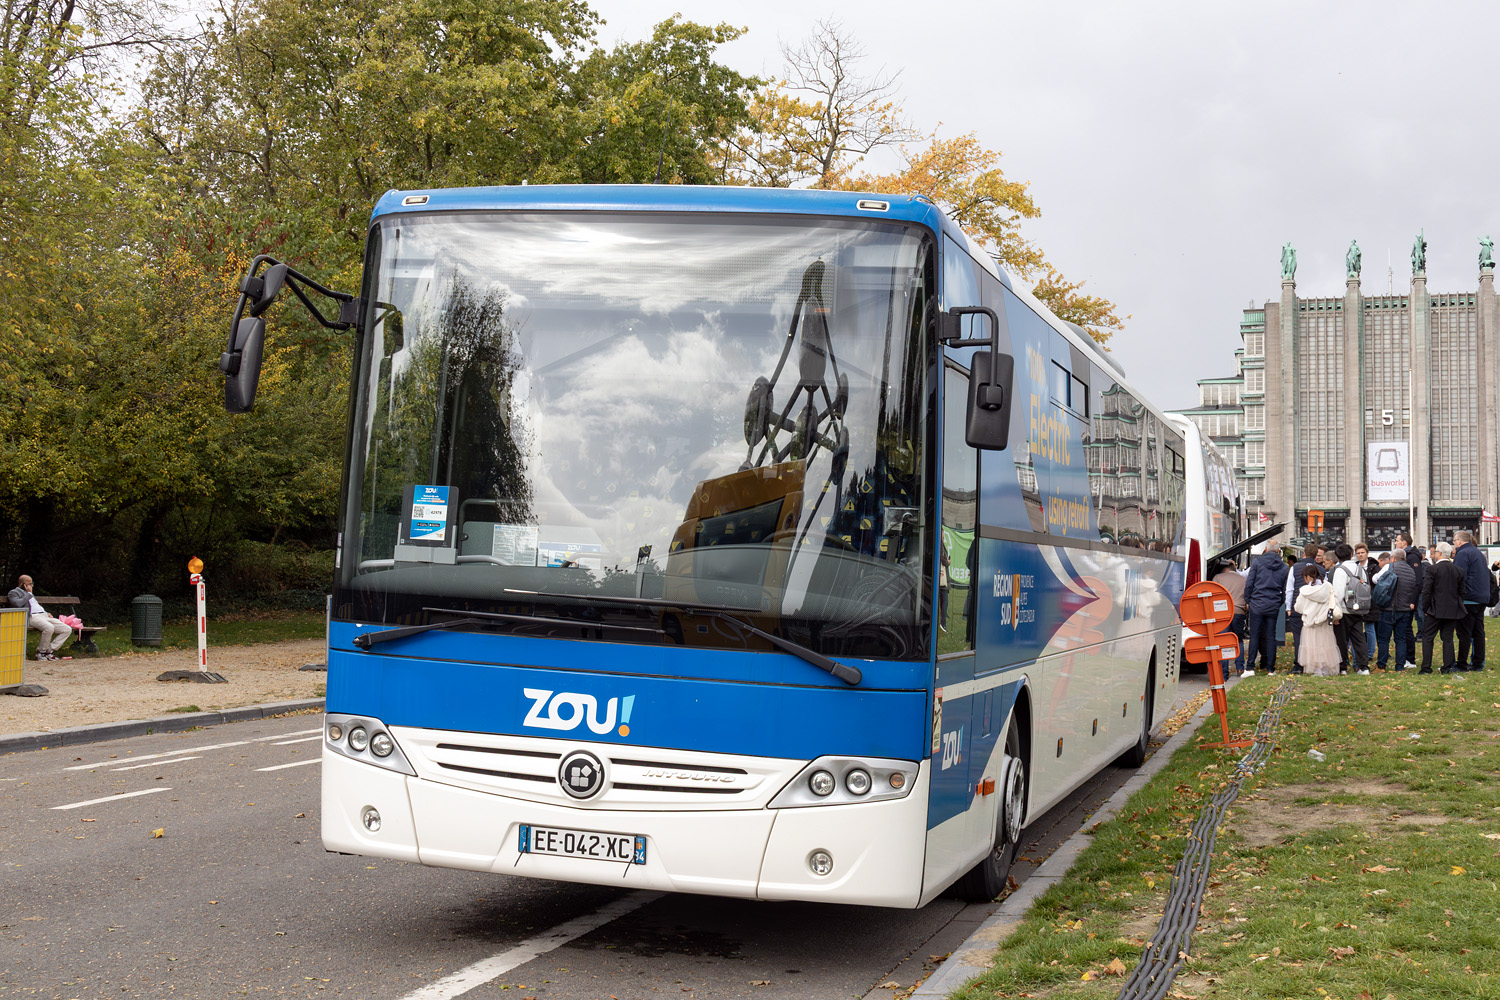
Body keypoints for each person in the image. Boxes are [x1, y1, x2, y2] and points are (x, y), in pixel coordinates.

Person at [1418, 543, 1467, 674]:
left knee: (1428, 638)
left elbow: (1427, 591)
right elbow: (1462, 592)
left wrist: (1425, 608)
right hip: (1452, 609)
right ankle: (1447, 667)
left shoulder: (1432, 569)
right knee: (1448, 639)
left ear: (1439, 553)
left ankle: (1426, 667)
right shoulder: (1458, 570)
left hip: (1434, 609)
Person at [1243, 539, 1290, 675]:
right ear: (1278, 551)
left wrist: (1248, 599)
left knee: (1254, 635)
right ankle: (1271, 668)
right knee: (1271, 636)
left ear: (1266, 549)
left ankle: (1250, 667)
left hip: (1257, 603)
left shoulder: (1257, 563)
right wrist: (1278, 602)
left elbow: (1250, 583)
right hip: (1273, 603)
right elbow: (1284, 588)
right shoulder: (1284, 567)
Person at [7, 575, 73, 661]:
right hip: (32, 616)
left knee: (66, 629)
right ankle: (41, 652)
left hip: (44, 615)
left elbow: (35, 605)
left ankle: (49, 651)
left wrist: (46, 612)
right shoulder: (14, 592)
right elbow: (17, 604)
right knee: (49, 628)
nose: (32, 586)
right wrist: (29, 594)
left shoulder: (30, 594)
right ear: (24, 585)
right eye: (30, 584)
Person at [1284, 542, 1325, 673]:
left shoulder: (1295, 567)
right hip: (1315, 609)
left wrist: (1288, 607)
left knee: (1298, 637)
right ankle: (1313, 664)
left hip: (1299, 607)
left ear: (1304, 554)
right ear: (1316, 556)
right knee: (1314, 637)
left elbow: (1289, 588)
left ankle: (1299, 665)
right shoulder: (1321, 569)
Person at [1293, 564, 1341, 676]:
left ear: (1308, 577)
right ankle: (1325, 668)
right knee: (1325, 645)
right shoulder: (1328, 587)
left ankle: (1316, 669)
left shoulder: (1305, 590)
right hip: (1323, 621)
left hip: (1310, 623)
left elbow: (1298, 607)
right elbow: (1334, 601)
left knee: (1312, 646)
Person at [1452, 529, 1487, 672]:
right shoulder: (1478, 553)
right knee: (1478, 632)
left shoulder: (1463, 553)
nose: (1454, 544)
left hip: (1468, 598)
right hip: (1481, 598)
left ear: (1459, 541)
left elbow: (1458, 576)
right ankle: (1478, 663)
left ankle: (1462, 664)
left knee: (1464, 633)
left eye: (1454, 541)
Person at [1383, 544, 1418, 671]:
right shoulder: (1411, 570)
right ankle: (1400, 665)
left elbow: (1377, 580)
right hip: (1405, 608)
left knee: (1384, 639)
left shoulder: (1390, 568)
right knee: (1401, 638)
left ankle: (1382, 664)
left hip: (1390, 607)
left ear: (1393, 558)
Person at [1211, 559, 1247, 675]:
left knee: (1223, 641)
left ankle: (1224, 673)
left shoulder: (1218, 577)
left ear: (1225, 571)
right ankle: (1240, 667)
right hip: (1239, 612)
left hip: (1223, 613)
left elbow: (1211, 594)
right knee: (1238, 640)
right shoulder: (1243, 580)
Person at [1355, 543, 1380, 659]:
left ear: (1367, 553)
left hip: (1371, 601)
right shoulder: (1354, 567)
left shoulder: (1374, 567)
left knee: (1370, 628)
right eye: (1358, 553)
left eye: (1362, 553)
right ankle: (1358, 652)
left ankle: (1370, 653)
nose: (1360, 555)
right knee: (1357, 628)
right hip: (1356, 601)